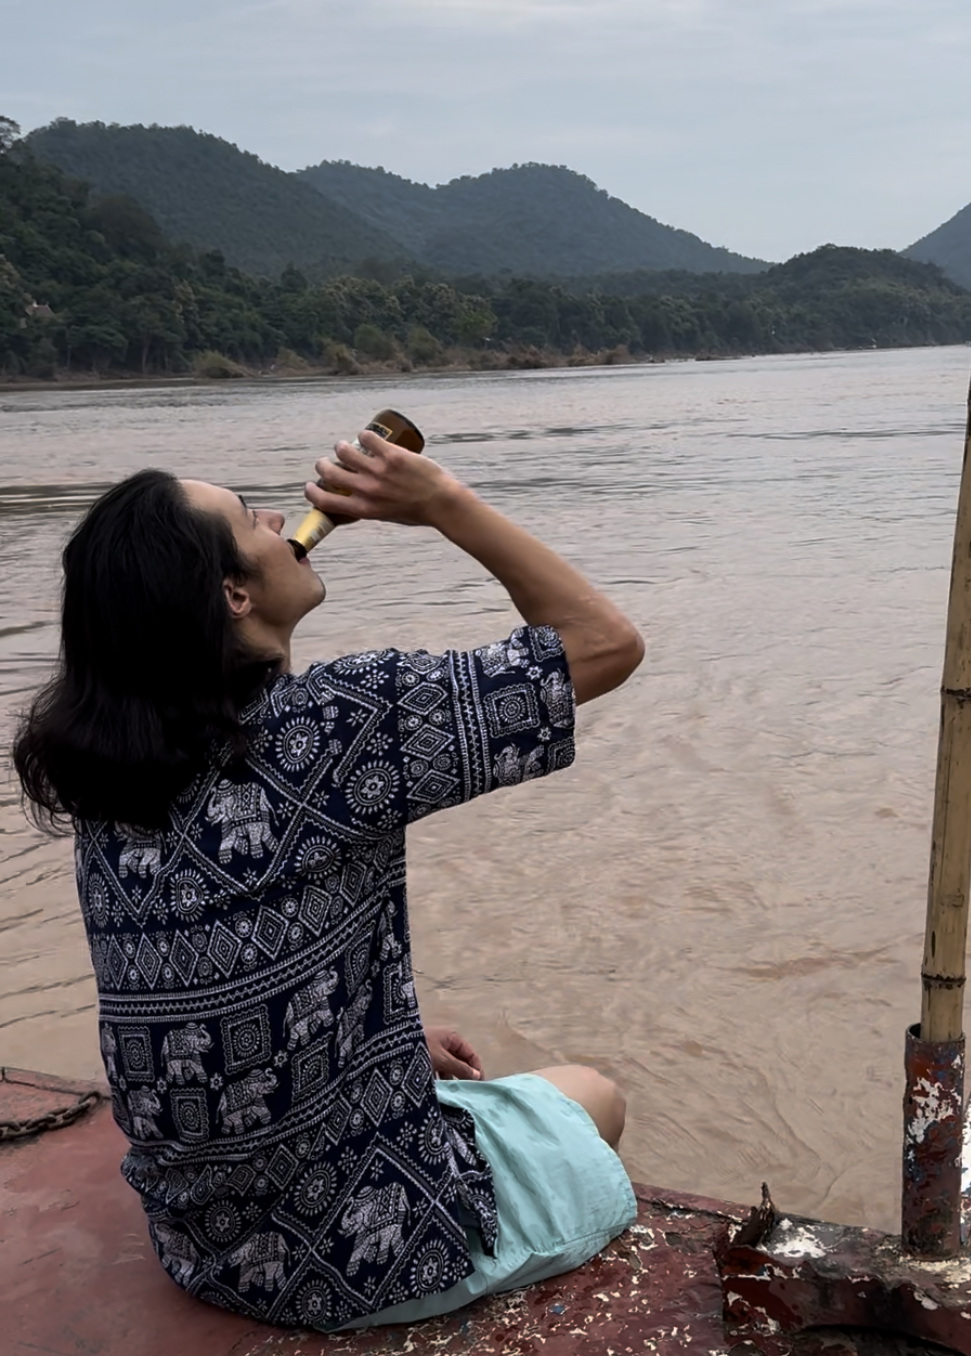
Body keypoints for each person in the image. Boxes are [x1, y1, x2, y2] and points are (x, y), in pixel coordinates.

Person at [12, 428, 644, 1331]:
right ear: (233, 593)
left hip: (202, 1247)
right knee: (593, 1094)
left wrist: (378, 1034)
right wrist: (441, 503)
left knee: (469, 1082)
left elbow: (207, 972)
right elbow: (604, 643)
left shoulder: (110, 772)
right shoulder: (333, 727)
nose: (277, 515)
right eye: (246, 515)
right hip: (368, 1253)